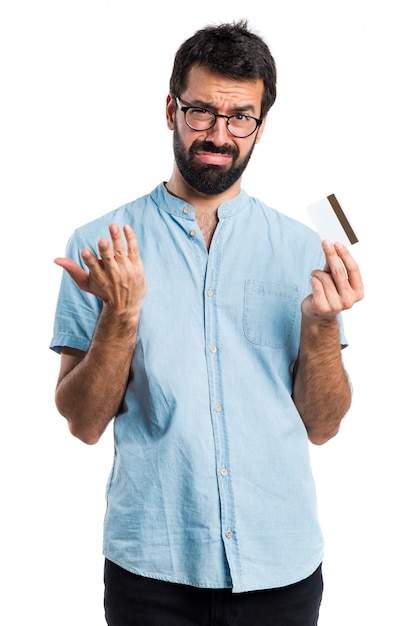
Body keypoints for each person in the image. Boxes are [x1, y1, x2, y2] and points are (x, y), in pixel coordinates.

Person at [51, 19, 364, 626]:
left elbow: (324, 427)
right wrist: (121, 315)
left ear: (262, 124)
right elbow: (83, 425)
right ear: (170, 109)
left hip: (283, 567)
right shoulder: (99, 247)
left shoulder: (307, 247)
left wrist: (321, 326)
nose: (219, 134)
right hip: (151, 572)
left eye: (240, 116)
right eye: (200, 112)